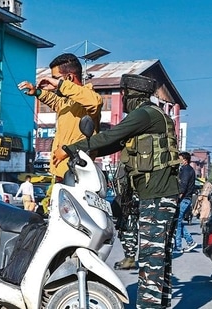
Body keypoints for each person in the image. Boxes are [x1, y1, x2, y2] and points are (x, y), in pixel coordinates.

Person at [53, 74, 180, 309]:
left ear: (132, 95)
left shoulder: (144, 114)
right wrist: (87, 153)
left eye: (124, 96)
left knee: (152, 258)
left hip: (157, 196)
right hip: (159, 194)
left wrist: (69, 148)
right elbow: (115, 144)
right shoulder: (152, 116)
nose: (123, 100)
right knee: (160, 257)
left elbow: (111, 135)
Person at [18, 53, 103, 214]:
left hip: (77, 178)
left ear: (69, 78)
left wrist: (59, 85)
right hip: (60, 176)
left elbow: (95, 102)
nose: (53, 82)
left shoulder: (88, 99)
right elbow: (57, 102)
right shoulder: (67, 101)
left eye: (56, 78)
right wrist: (37, 92)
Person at [174, 151, 197, 253]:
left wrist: (177, 198)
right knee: (177, 222)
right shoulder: (186, 169)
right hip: (186, 199)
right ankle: (190, 242)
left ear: (185, 160)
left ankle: (178, 246)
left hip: (184, 199)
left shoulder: (186, 171)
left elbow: (183, 187)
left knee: (177, 222)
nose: (178, 161)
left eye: (180, 159)